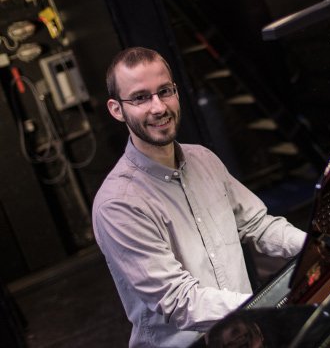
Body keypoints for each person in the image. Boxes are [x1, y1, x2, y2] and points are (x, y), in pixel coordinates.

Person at [92, 47, 306, 348]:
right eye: (140, 97)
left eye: (164, 91)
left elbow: (259, 225)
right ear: (117, 109)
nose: (158, 107)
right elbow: (180, 301)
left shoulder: (203, 159)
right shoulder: (118, 204)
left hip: (246, 335)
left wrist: (318, 247)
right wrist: (266, 309)